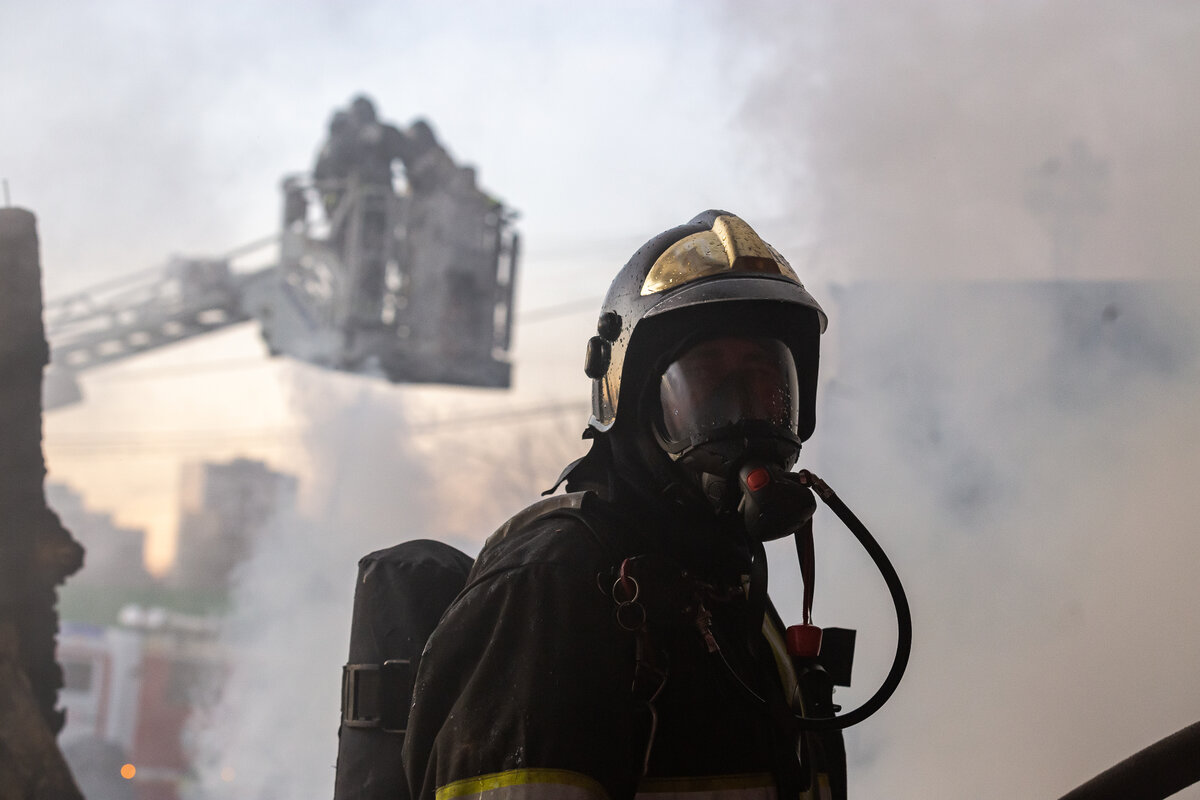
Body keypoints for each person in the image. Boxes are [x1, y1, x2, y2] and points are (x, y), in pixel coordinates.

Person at [403, 210, 845, 800]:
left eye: (761, 375)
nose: (740, 408)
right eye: (707, 375)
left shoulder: (726, 584)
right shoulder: (555, 583)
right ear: (634, 403)